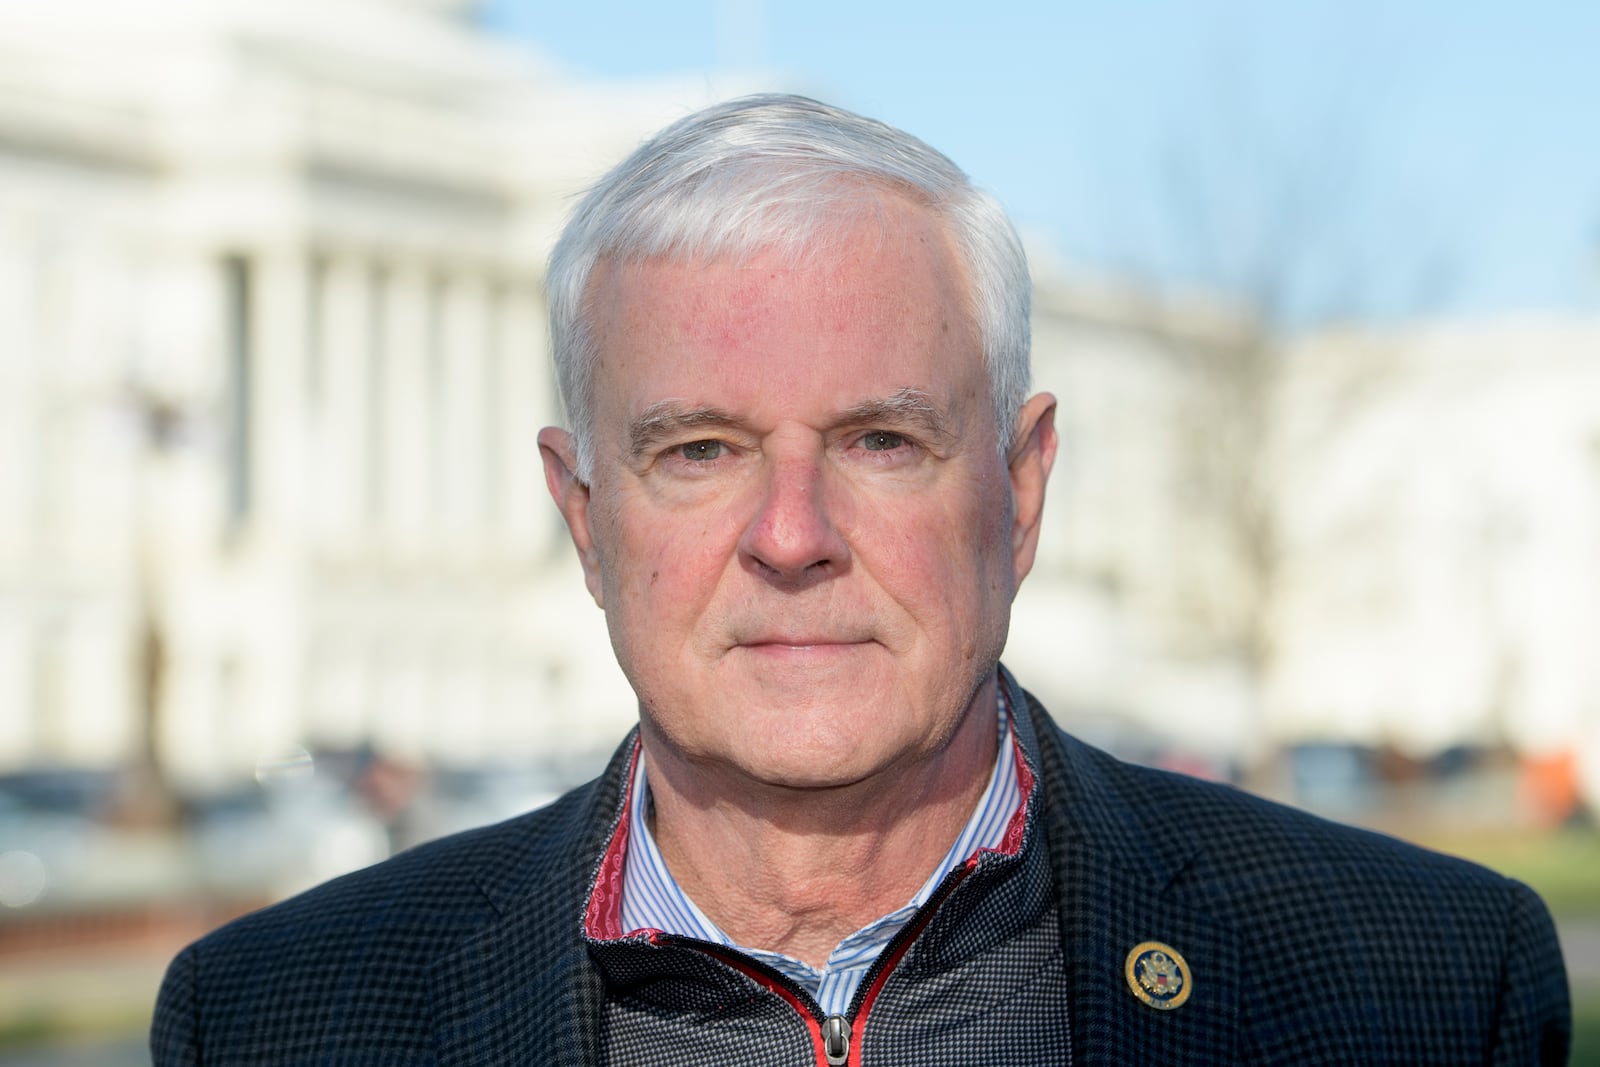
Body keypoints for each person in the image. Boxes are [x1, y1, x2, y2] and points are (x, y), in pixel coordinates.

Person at [151, 94, 1570, 1065]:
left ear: (1018, 492)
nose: (789, 534)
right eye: (699, 451)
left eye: (881, 441)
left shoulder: (1422, 984)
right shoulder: (282, 1018)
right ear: (584, 517)